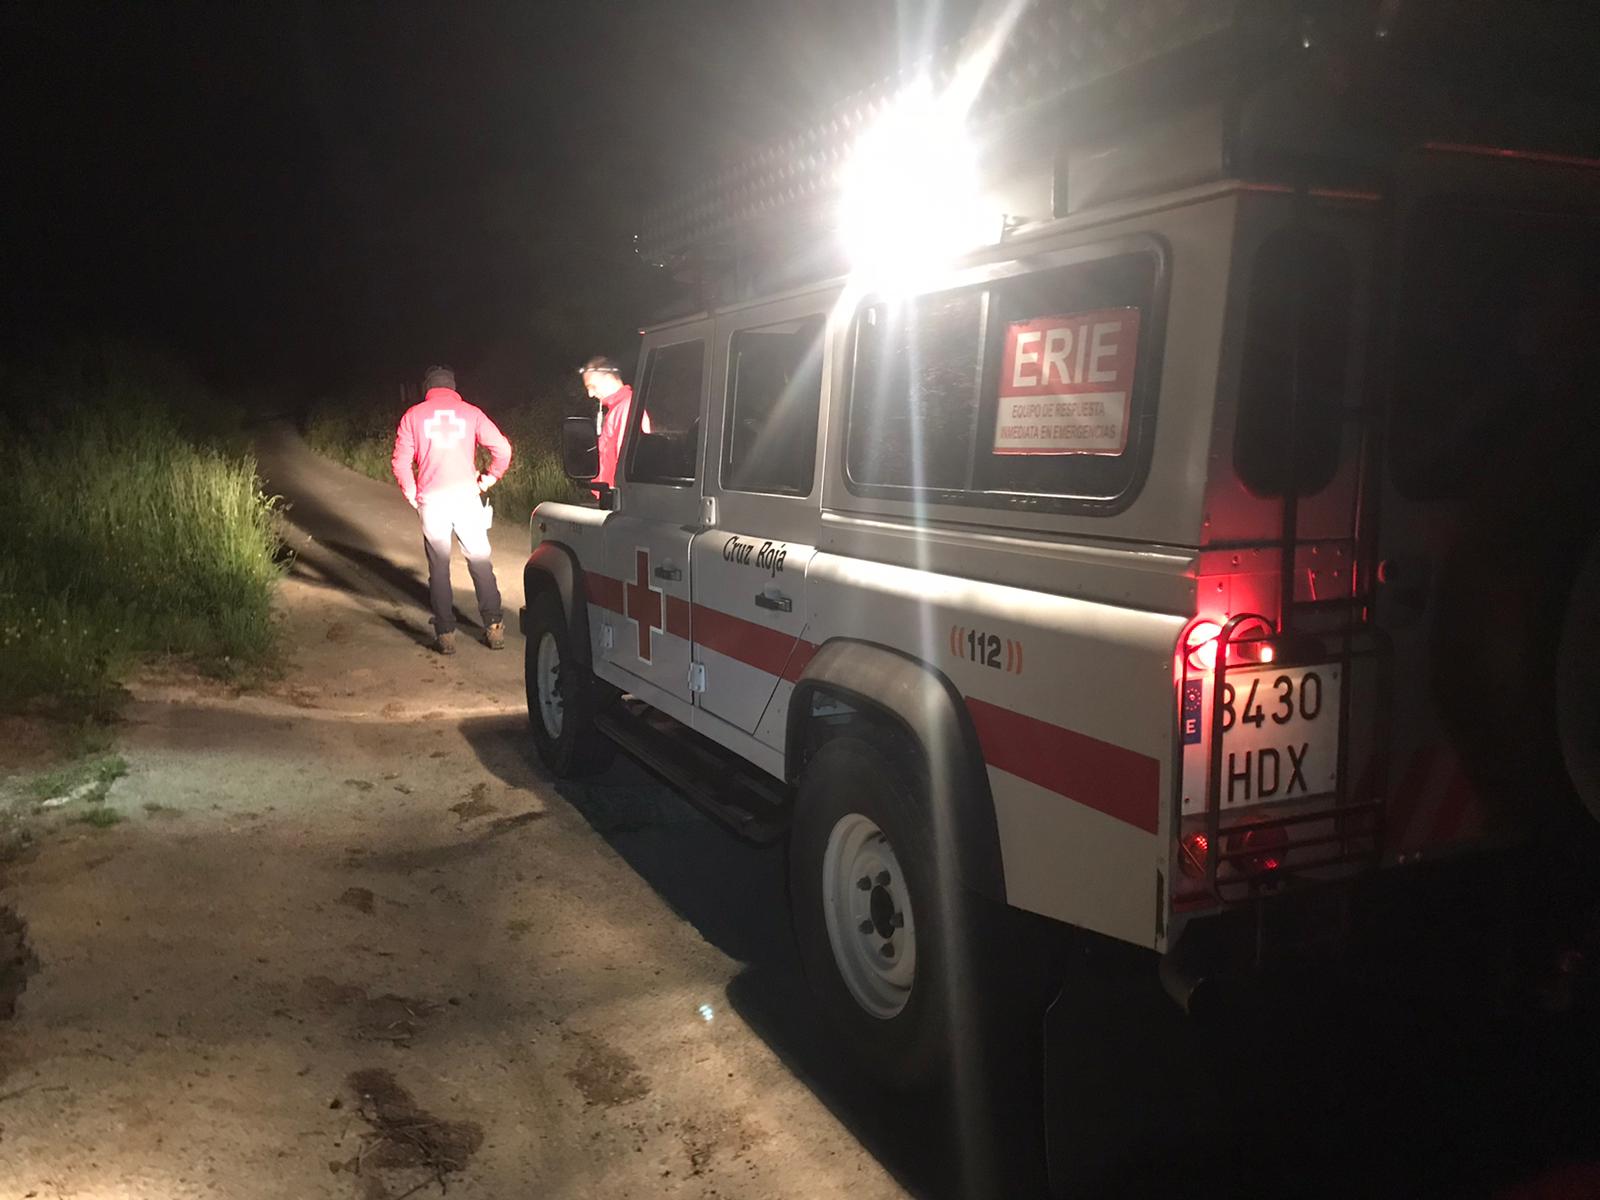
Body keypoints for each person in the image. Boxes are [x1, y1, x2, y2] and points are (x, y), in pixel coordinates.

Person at [391, 365, 512, 655]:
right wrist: (489, 478)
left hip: (432, 501)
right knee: (480, 561)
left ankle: (445, 634)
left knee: (439, 567)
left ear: (427, 388)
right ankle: (494, 627)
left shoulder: (412, 416)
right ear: (453, 388)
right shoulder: (472, 413)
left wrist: (412, 495)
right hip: (467, 498)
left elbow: (400, 462)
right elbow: (503, 449)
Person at [579, 355, 642, 495]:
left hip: (619, 500)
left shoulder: (626, 408)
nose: (590, 394)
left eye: (592, 386)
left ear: (608, 379)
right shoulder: (618, 409)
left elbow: (626, 463)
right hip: (613, 497)